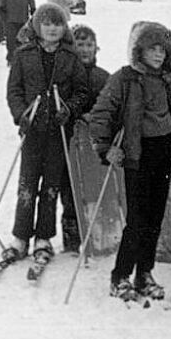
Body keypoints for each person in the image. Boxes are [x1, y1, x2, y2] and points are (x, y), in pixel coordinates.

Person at [90, 22, 171, 300]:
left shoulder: (169, 81)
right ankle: (120, 275)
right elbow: (101, 114)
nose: (159, 55)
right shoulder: (124, 79)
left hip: (163, 153)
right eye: (152, 49)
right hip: (138, 155)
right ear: (140, 51)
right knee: (137, 219)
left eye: (163, 50)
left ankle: (144, 273)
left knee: (155, 218)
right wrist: (104, 147)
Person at [3, 3, 89, 268]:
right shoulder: (23, 54)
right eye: (47, 23)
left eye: (58, 24)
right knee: (27, 185)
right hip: (32, 131)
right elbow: (14, 90)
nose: (52, 29)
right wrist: (21, 114)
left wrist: (69, 109)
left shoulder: (71, 57)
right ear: (37, 26)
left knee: (51, 186)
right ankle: (20, 236)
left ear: (64, 28)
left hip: (58, 131)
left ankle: (43, 237)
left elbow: (81, 92)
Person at [60, 25, 110, 251]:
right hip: (70, 140)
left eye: (89, 44)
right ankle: (71, 234)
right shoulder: (65, 75)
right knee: (69, 186)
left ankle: (97, 231)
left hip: (93, 144)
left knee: (93, 186)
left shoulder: (103, 77)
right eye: (80, 44)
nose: (85, 49)